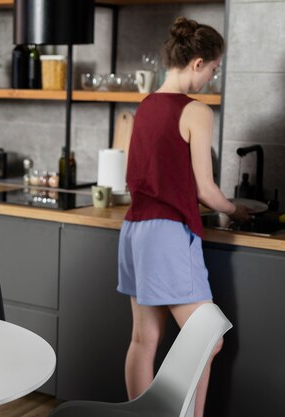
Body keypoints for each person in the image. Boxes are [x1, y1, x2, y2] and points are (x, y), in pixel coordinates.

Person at [117, 17, 249, 417]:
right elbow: (206, 190)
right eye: (213, 68)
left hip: (134, 230)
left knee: (144, 339)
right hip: (166, 235)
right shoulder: (196, 111)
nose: (212, 76)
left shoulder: (145, 107)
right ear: (196, 63)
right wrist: (235, 210)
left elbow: (152, 176)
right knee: (208, 340)